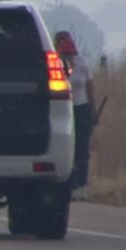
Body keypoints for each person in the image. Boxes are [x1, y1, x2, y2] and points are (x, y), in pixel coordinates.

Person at [55, 31, 97, 197]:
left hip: (81, 109)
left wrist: (92, 112)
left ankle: (81, 185)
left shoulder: (83, 65)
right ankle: (68, 184)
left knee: (82, 148)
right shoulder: (55, 64)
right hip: (63, 110)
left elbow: (90, 89)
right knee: (67, 148)